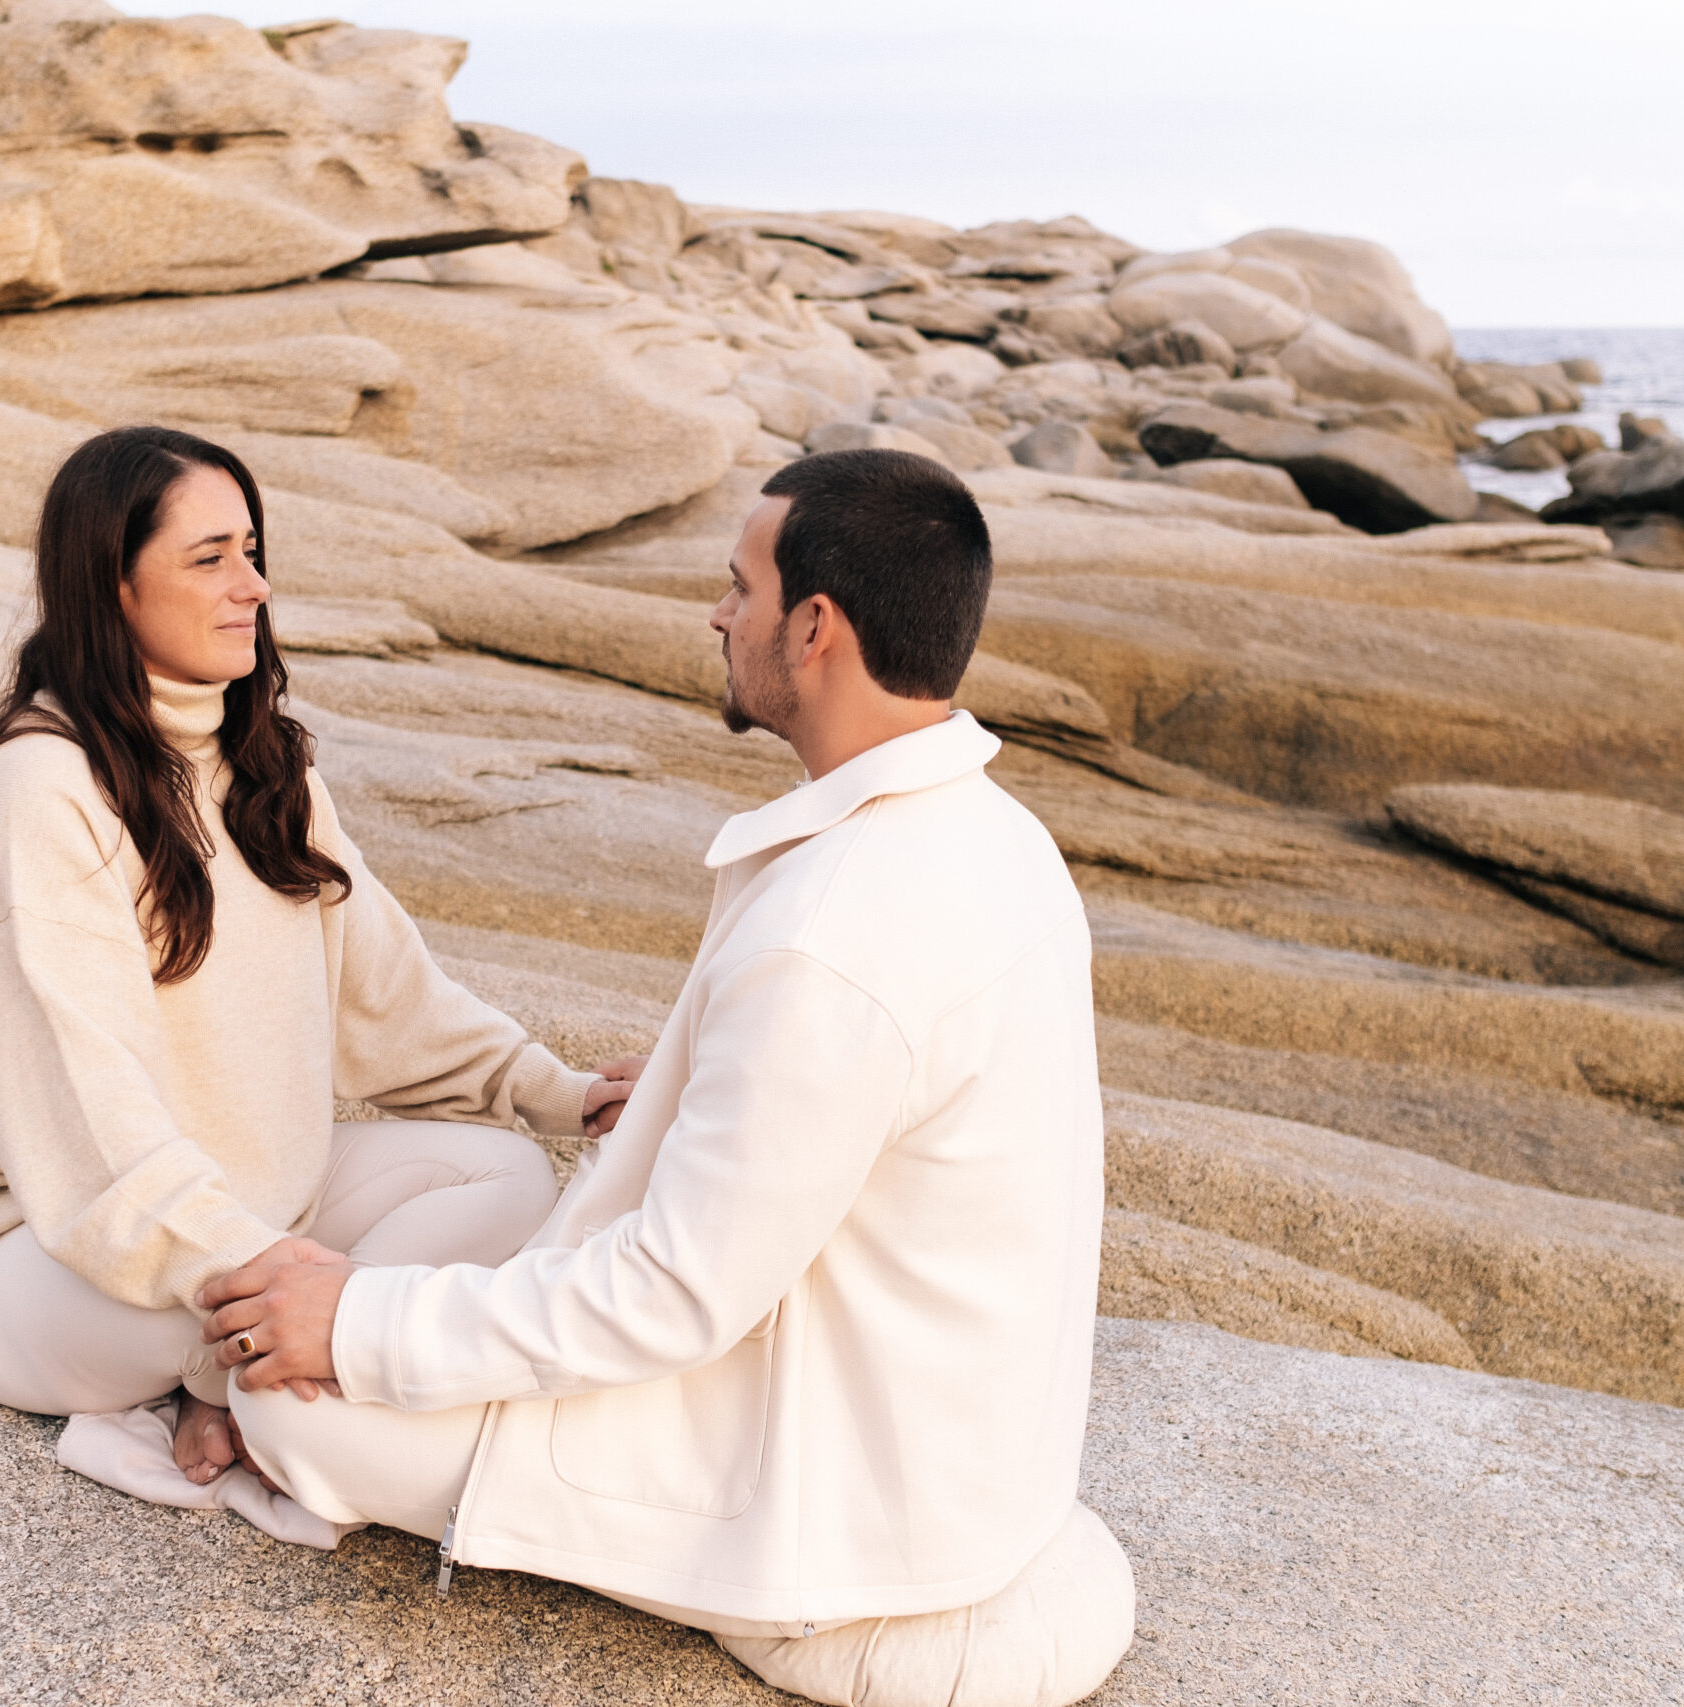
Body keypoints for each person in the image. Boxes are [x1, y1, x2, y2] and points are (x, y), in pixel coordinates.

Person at [199, 448, 1132, 1706]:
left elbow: (675, 1298)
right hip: (949, 1444)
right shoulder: (997, 839)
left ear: (814, 627)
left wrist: (354, 1321)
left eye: (739, 586)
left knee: (297, 1407)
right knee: (454, 1266)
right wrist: (705, 1099)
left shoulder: (834, 930)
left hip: (845, 1503)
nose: (716, 613)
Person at [0, 426, 637, 1489]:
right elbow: (85, 1111)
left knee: (505, 1174)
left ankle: (227, 1393)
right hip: (32, 1259)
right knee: (189, 1310)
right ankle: (238, 1385)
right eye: (210, 560)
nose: (254, 586)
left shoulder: (262, 762)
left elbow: (393, 997)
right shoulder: (36, 789)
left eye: (251, 550)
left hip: (233, 1218)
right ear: (114, 586)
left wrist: (562, 1094)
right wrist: (267, 1271)